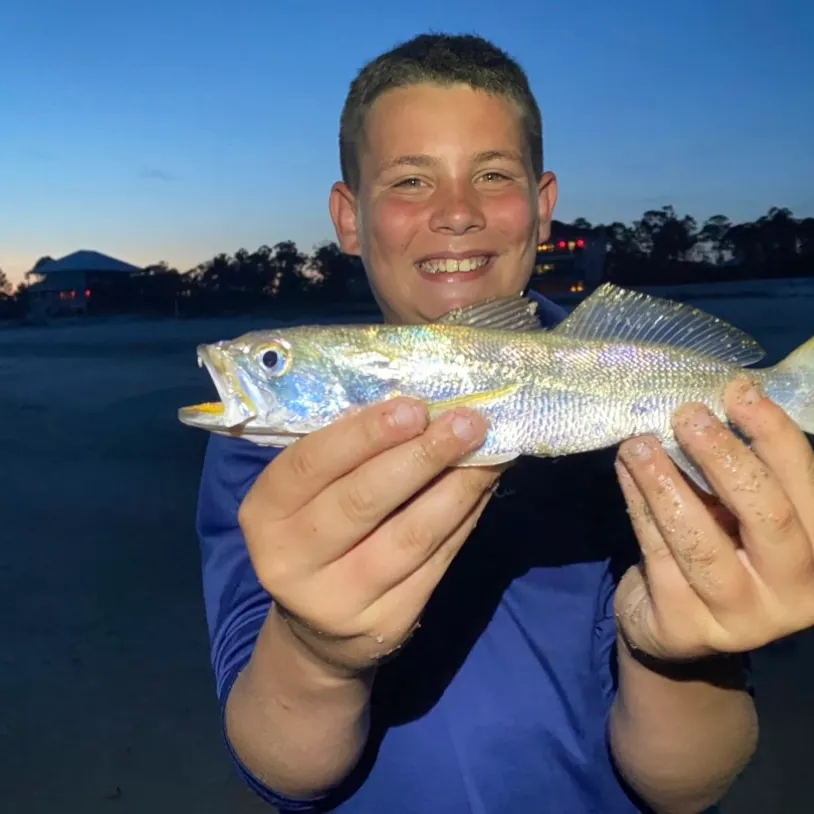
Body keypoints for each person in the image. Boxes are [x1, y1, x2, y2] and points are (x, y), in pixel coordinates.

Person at [196, 33, 814, 813]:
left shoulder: (634, 396)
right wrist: (318, 656)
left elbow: (682, 784)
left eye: (492, 175)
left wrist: (680, 655)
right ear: (348, 219)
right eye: (411, 181)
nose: (456, 213)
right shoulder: (262, 456)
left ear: (544, 204)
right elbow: (282, 765)